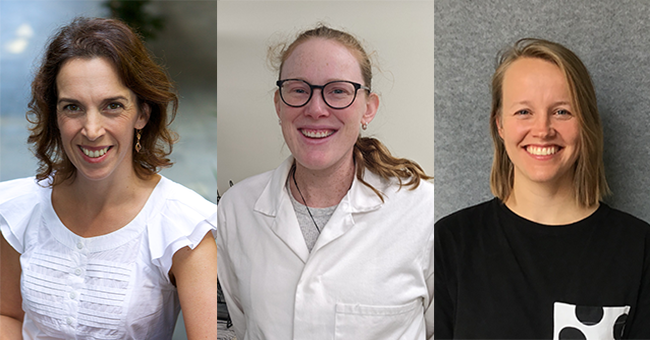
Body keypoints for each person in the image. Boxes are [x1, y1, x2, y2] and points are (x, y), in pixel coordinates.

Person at [0, 17, 218, 339]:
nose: (91, 130)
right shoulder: (18, 210)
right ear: (55, 116)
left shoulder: (182, 228)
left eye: (112, 106)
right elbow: (7, 314)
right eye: (72, 107)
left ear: (142, 114)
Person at [215, 25, 434, 339]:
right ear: (279, 104)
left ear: (368, 109)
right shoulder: (236, 209)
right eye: (299, 90)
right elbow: (244, 322)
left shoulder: (423, 210)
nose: (316, 109)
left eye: (338, 91)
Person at [434, 38, 650, 338]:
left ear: (585, 123)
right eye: (524, 111)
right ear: (499, 125)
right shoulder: (450, 243)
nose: (543, 130)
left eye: (562, 111)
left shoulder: (640, 248)